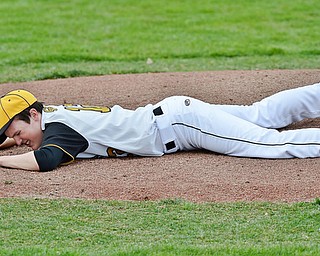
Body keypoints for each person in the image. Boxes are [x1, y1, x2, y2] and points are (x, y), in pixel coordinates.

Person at [1, 83, 320, 171]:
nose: (19, 142)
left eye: (18, 134)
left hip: (182, 125)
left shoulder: (60, 130)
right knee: (258, 114)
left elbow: (45, 161)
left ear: (33, 115)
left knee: (267, 143)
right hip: (176, 117)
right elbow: (26, 139)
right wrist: (7, 141)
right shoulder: (49, 116)